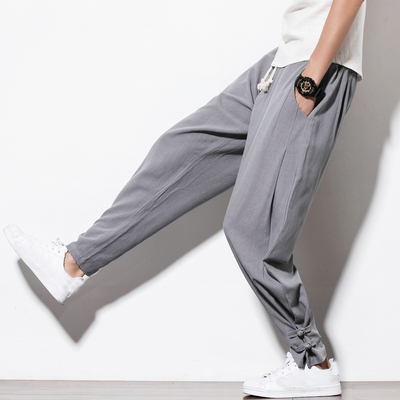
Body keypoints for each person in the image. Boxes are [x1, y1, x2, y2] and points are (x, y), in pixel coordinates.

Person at [4, 0, 366, 397]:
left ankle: (313, 362)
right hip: (284, 59)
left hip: (315, 65)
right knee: (182, 150)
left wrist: (312, 77)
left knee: (252, 230)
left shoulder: (313, 73)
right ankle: (73, 263)